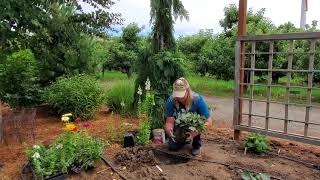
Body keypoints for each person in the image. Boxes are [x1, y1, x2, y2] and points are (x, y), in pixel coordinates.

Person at [164, 77, 212, 156]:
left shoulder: (197, 100)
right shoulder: (171, 100)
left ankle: (196, 145)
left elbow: (209, 122)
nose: (179, 97)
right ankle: (183, 140)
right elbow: (169, 121)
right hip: (179, 124)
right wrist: (169, 130)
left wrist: (194, 133)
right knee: (173, 147)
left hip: (194, 126)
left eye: (182, 94)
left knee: (197, 123)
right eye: (177, 94)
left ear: (188, 90)